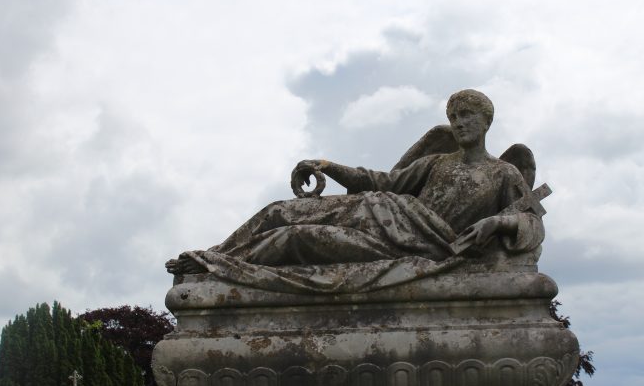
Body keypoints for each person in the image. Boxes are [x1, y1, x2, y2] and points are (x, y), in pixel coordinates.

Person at [166, 89, 544, 282]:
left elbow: (531, 222)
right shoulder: (436, 162)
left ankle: (218, 268)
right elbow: (384, 182)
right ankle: (211, 256)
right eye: (453, 116)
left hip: (411, 243)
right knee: (280, 211)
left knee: (296, 238)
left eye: (467, 116)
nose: (459, 123)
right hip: (380, 210)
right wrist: (327, 165)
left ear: (486, 121)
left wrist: (497, 222)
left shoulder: (505, 173)